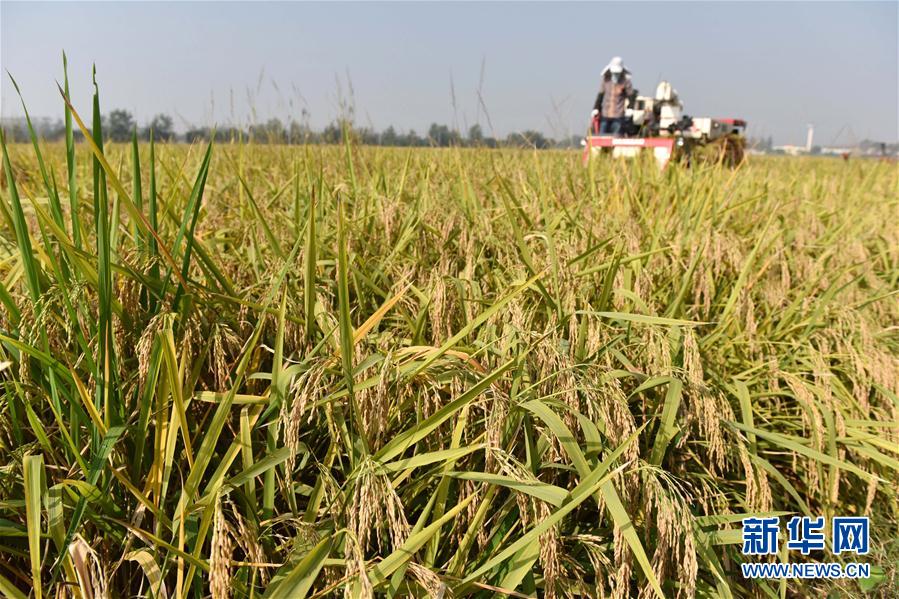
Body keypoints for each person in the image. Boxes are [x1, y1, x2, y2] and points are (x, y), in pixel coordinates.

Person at [591, 56, 633, 137]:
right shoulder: (605, 80)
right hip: (605, 115)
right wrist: (596, 108)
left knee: (616, 137)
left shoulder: (625, 81)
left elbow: (631, 96)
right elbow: (600, 95)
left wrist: (630, 108)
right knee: (602, 138)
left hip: (618, 116)